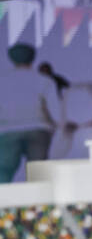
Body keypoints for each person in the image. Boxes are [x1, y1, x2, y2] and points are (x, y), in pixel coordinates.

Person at [0, 44, 60, 182]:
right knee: (38, 172)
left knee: (4, 172)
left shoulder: (2, 80)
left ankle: (3, 202)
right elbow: (54, 107)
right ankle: (39, 203)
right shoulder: (44, 80)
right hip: (38, 129)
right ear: (32, 58)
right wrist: (56, 126)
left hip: (8, 130)